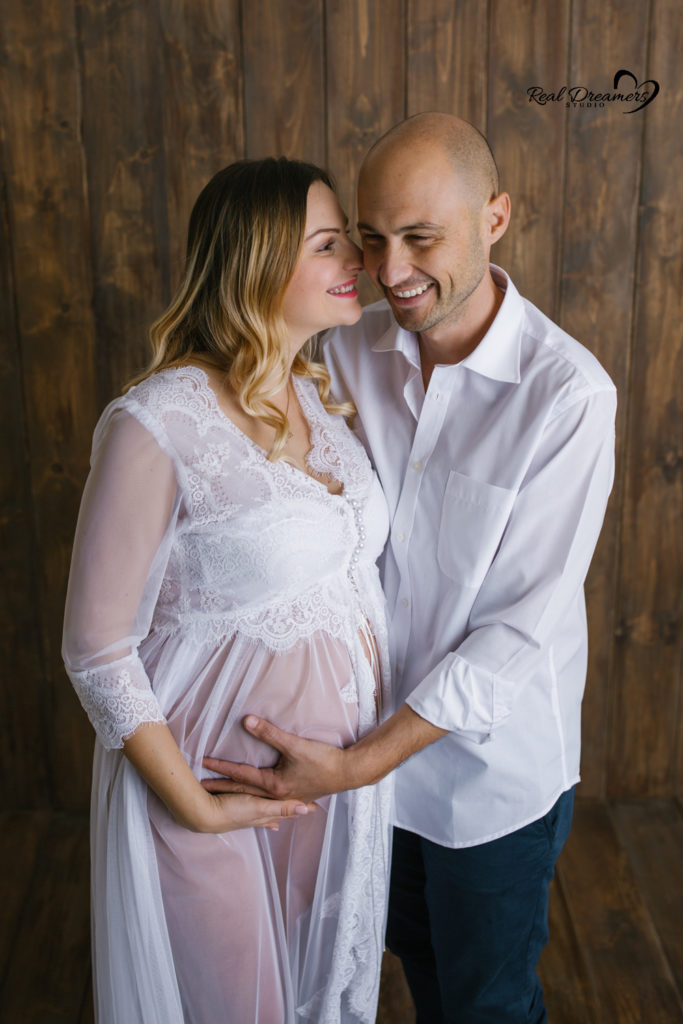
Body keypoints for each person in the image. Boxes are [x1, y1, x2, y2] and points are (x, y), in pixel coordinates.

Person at [202, 114, 617, 1023]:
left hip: (483, 781)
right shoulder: (347, 345)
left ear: (495, 218)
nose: (390, 272)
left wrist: (355, 766)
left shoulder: (567, 396)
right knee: (388, 979)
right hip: (350, 762)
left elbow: (512, 633)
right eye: (371, 237)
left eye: (421, 238)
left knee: (484, 1007)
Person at [62, 157, 393, 1024]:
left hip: (330, 790)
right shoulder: (159, 420)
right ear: (255, 261)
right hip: (209, 789)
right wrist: (193, 810)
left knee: (313, 996)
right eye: (327, 245)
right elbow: (94, 647)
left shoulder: (320, 401)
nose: (353, 260)